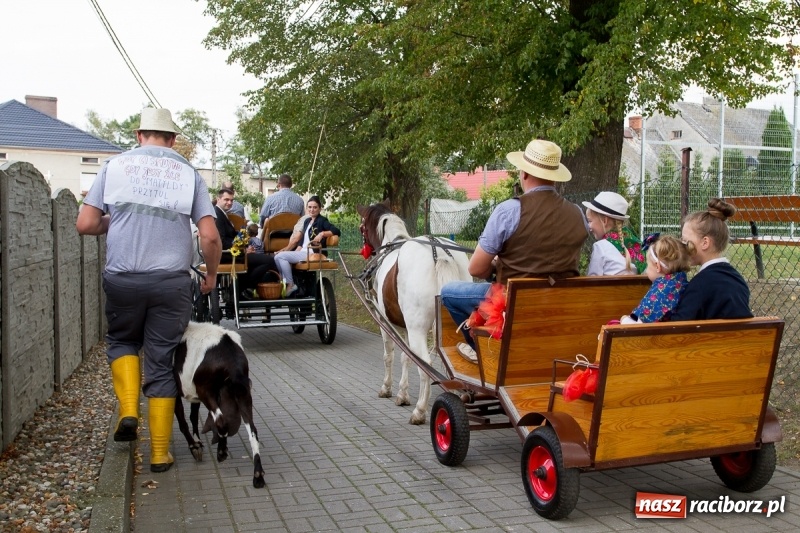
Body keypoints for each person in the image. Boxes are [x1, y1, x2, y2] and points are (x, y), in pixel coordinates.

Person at [76, 107, 221, 474]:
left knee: (122, 341)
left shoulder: (114, 167)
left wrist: (115, 220)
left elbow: (86, 224)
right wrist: (211, 275)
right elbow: (209, 236)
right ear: (173, 139)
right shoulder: (188, 174)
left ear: (139, 136)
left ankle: (128, 410)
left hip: (122, 279)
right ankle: (159, 454)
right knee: (161, 360)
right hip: (171, 283)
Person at [441, 139, 588, 362]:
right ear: (555, 176)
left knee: (448, 292)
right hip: (559, 302)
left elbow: (476, 268)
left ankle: (482, 353)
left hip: (513, 301)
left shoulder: (509, 210)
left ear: (524, 173)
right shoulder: (577, 213)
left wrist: (495, 267)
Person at [669, 198, 753, 321]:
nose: (682, 246)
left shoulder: (699, 285)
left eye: (685, 241)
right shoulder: (738, 281)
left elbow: (678, 325)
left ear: (705, 243)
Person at [274, 196, 340, 296]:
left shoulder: (322, 221)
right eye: (309, 207)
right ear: (306, 208)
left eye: (315, 207)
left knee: (280, 256)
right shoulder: (307, 221)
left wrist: (322, 234)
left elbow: (336, 231)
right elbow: (301, 242)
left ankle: (290, 284)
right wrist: (293, 253)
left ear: (320, 209)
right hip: (303, 252)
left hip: (312, 253)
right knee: (277, 257)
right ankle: (285, 282)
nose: (312, 210)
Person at [620, 234, 690, 323]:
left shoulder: (660, 292)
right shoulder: (680, 283)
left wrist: (624, 319)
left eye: (648, 264)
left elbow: (638, 324)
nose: (646, 269)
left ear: (657, 266)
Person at [583, 191, 646, 276]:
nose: (589, 226)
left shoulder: (600, 247)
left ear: (604, 221)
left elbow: (592, 279)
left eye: (590, 221)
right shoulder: (635, 244)